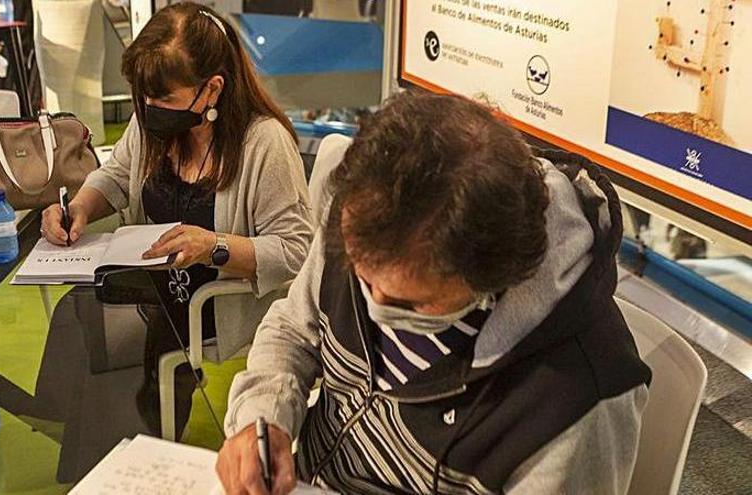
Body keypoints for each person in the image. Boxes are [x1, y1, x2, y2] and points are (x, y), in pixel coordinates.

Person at [216, 91, 652, 494]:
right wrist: (265, 415)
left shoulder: (580, 399)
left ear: (497, 274)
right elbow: (294, 328)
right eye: (363, 277)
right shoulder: (368, 223)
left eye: (412, 304)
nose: (374, 308)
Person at [36, 0, 312, 465]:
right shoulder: (154, 125)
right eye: (144, 96)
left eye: (164, 98)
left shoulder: (264, 143)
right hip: (159, 283)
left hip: (218, 297)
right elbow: (118, 175)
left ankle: (131, 457)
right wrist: (79, 206)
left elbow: (295, 249)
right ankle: (88, 441)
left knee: (123, 336)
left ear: (212, 90)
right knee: (77, 310)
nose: (149, 108)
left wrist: (214, 247)